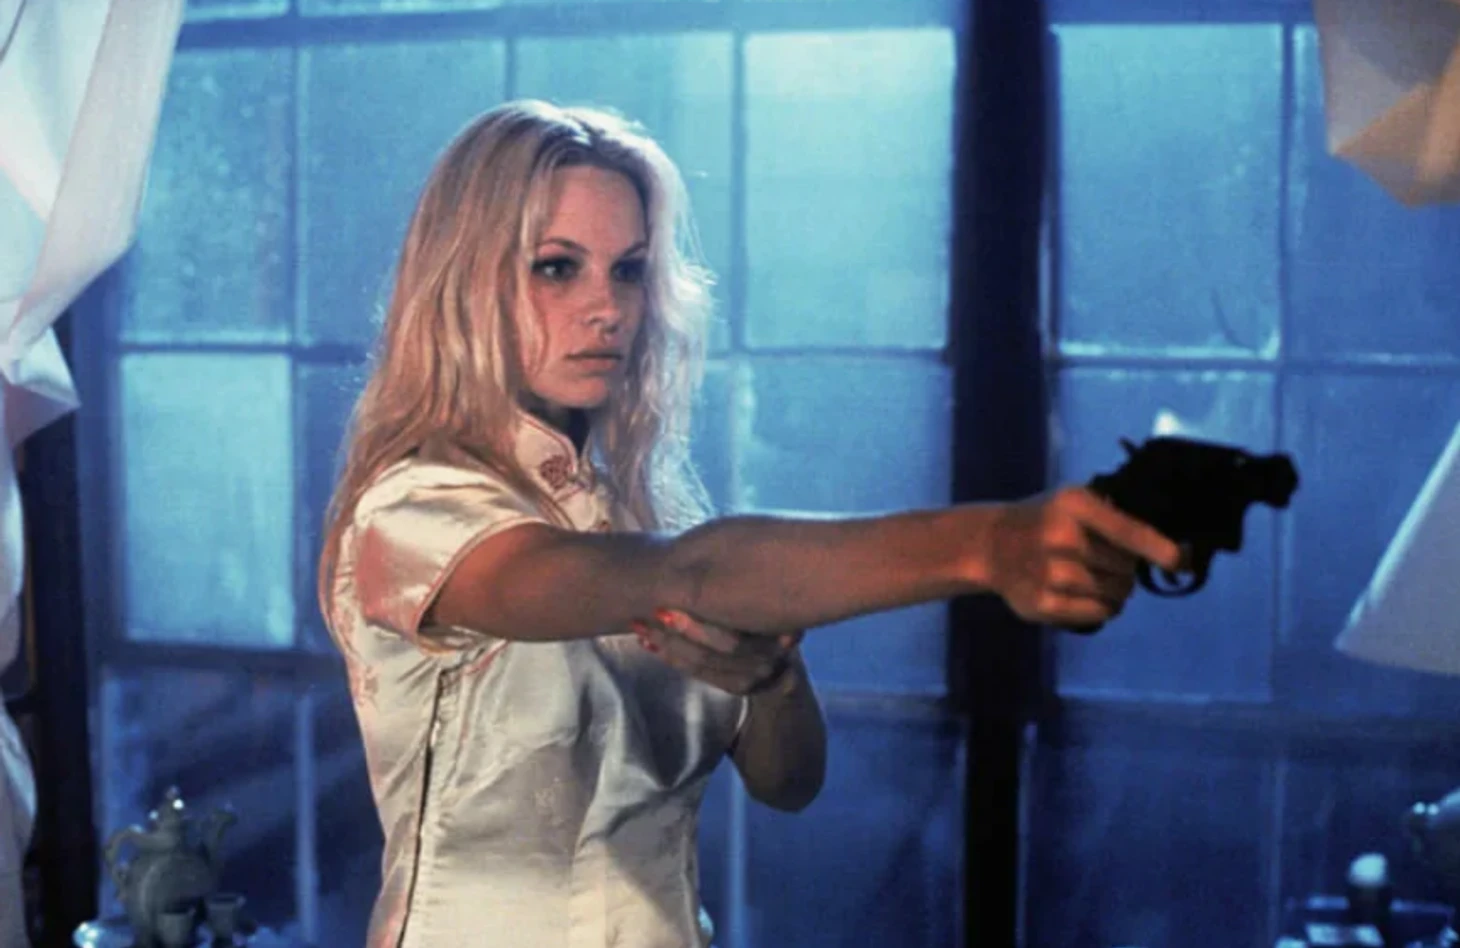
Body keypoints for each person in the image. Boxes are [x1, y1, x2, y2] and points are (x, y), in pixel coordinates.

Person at [317, 99, 1181, 948]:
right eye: (556, 267)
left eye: (629, 270)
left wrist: (772, 681)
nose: (607, 307)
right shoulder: (413, 512)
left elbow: (789, 783)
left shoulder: (642, 514)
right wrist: (986, 545)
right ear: (465, 283)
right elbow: (689, 573)